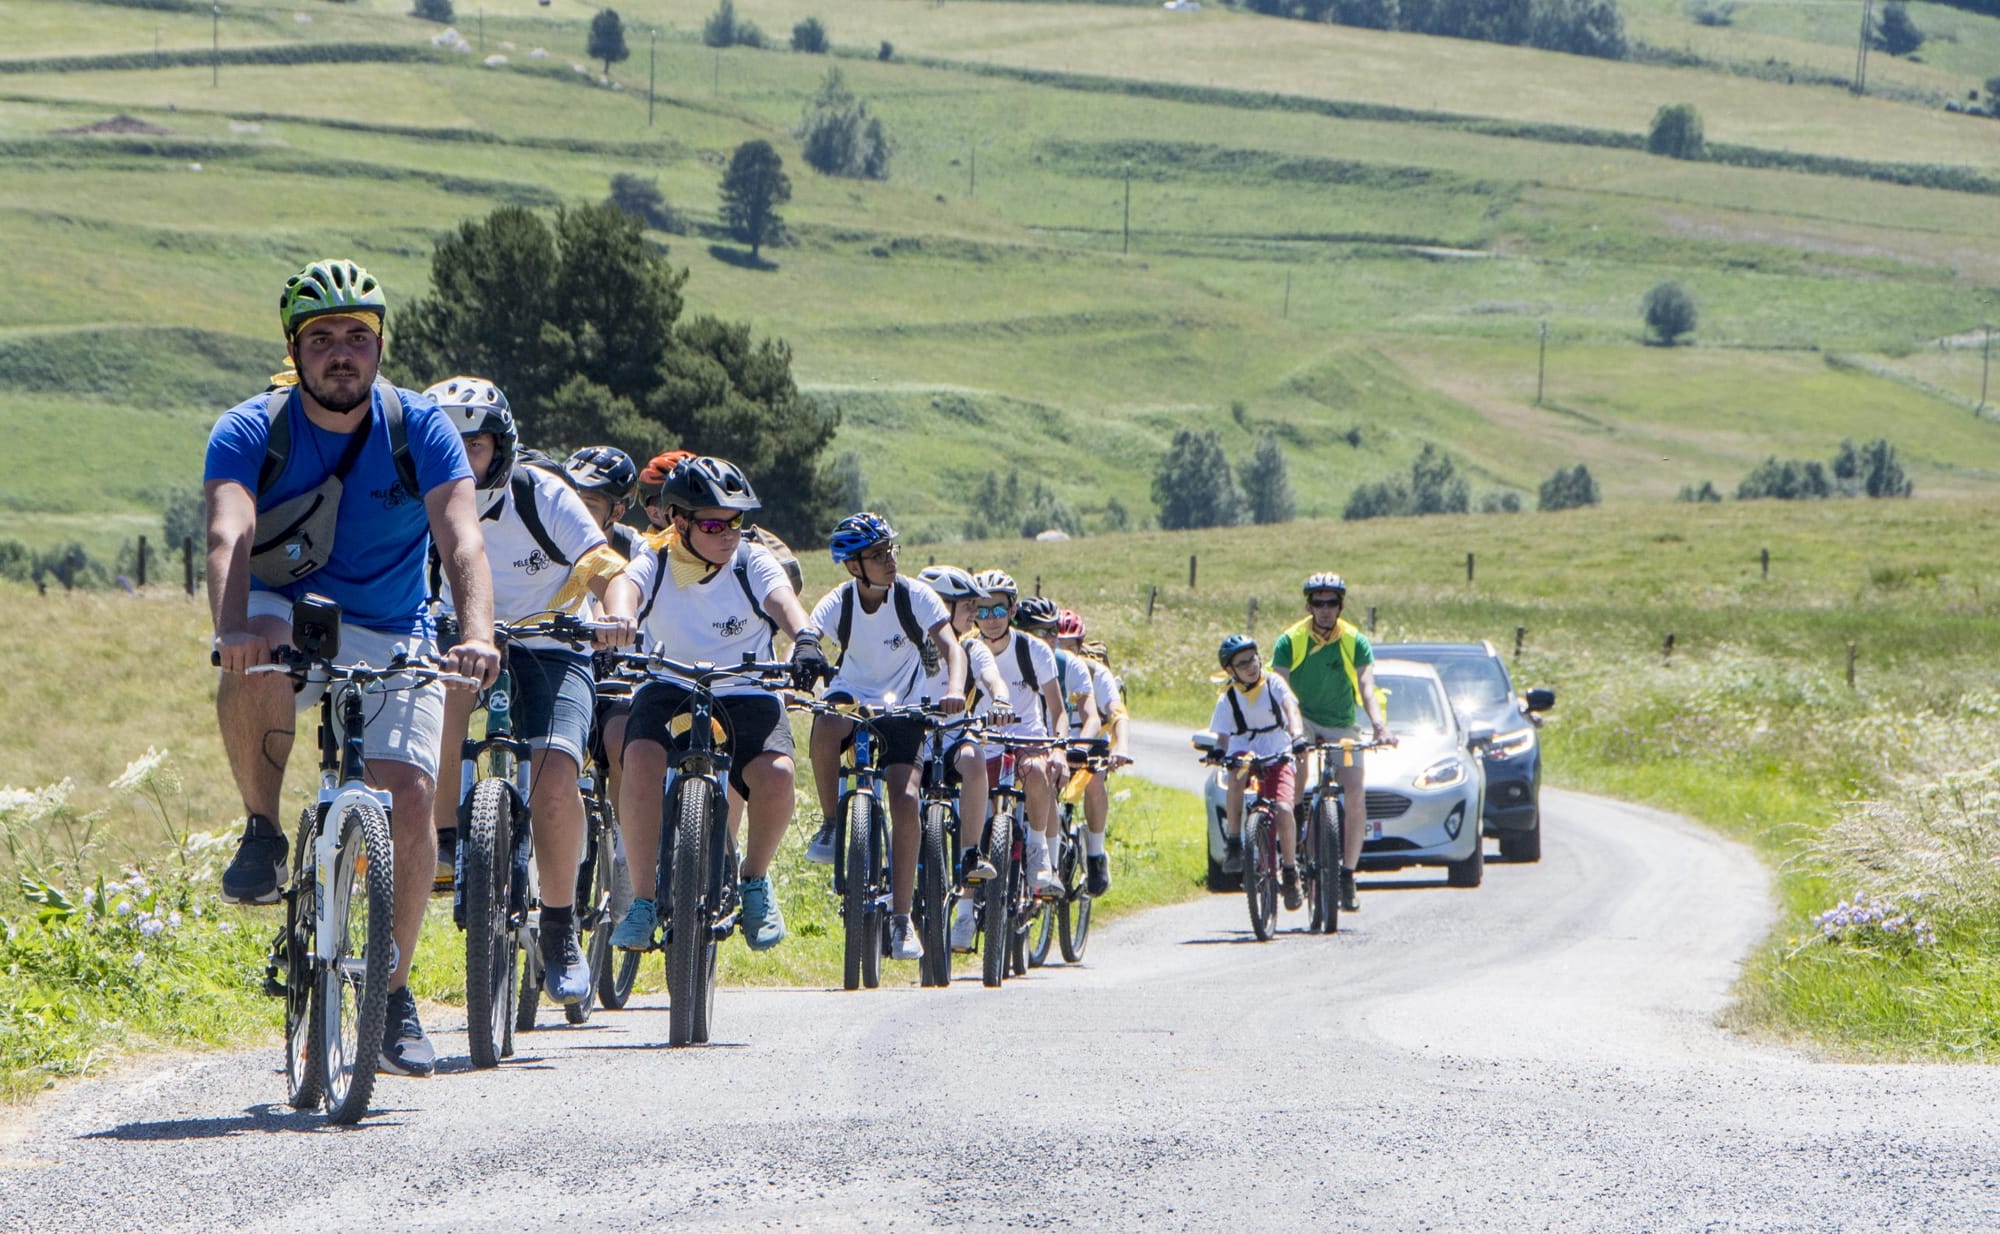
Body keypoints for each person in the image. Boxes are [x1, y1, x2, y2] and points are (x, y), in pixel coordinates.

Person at [206, 259, 500, 1078]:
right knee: (256, 668)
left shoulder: (421, 429)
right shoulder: (251, 429)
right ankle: (263, 832)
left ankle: (395, 992)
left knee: (408, 799)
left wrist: (475, 633)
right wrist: (233, 631)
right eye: (323, 338)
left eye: (359, 339)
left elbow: (463, 538)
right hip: (280, 604)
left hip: (394, 621)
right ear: (295, 351)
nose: (343, 353)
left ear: (380, 349)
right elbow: (229, 534)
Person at [426, 381, 634, 1006]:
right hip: (459, 639)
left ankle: (560, 925)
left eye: (477, 445)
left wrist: (617, 614)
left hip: (553, 641)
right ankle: (443, 841)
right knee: (437, 711)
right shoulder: (418, 497)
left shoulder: (539, 493)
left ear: (503, 447)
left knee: (554, 776)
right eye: (448, 443)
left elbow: (603, 565)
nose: (463, 458)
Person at [601, 457, 824, 953]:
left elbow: (783, 601)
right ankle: (641, 899)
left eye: (735, 522)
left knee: (778, 774)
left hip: (745, 686)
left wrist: (805, 638)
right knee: (637, 759)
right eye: (712, 524)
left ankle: (754, 881)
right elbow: (626, 587)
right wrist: (619, 621)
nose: (727, 534)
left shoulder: (751, 560)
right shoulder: (656, 560)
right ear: (679, 522)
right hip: (670, 684)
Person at [803, 514, 967, 961]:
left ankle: (901, 919)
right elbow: (807, 638)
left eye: (891, 549)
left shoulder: (915, 596)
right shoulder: (840, 601)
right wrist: (794, 672)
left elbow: (951, 647)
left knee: (906, 799)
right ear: (853, 565)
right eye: (877, 555)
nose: (889, 560)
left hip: (905, 703)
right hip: (852, 693)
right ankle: (832, 825)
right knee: (824, 725)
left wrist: (953, 689)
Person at [1269, 573, 1395, 913]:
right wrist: (1290, 730)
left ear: (1341, 606)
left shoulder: (1354, 640)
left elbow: (1367, 687)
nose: (1325, 610)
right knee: (1294, 785)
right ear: (1309, 606)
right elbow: (1280, 690)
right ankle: (1291, 863)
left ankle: (1347, 876)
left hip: (1342, 723)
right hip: (1302, 718)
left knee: (1354, 789)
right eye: (1318, 603)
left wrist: (1379, 725)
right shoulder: (1290, 639)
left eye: (1332, 603)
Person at [916, 566, 1017, 955]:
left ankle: (970, 853)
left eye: (978, 605)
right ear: (941, 606)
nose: (976, 613)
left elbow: (992, 677)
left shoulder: (973, 647)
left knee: (974, 761)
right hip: (915, 737)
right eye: (969, 606)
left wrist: (1001, 700)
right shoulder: (910, 643)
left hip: (955, 737)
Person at [967, 572, 1068, 897]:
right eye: (981, 611)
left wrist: (1060, 751)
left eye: (997, 610)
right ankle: (965, 914)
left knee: (1038, 771)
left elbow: (1058, 710)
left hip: (1027, 737)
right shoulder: (966, 648)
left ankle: (1038, 850)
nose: (990, 619)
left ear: (1012, 610)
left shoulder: (1034, 651)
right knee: (968, 823)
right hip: (983, 741)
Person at [1210, 634, 1308, 910]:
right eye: (1243, 664)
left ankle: (1290, 872)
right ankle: (1233, 842)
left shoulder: (1273, 683)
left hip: (1277, 744)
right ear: (1230, 671)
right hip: (1244, 746)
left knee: (1284, 809)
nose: (1251, 667)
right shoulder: (1228, 697)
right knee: (1235, 773)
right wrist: (1219, 751)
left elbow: (1291, 708)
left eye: (1253, 659)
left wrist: (1297, 735)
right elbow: (1222, 736)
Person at [1056, 611, 1131, 897]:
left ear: (1080, 645)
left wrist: (1121, 746)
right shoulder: (1042, 667)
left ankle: (1096, 853)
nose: (1063, 651)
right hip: (1057, 743)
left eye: (1070, 645)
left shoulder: (1096, 673)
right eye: (1057, 643)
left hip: (1090, 745)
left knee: (1095, 780)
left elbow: (1116, 712)